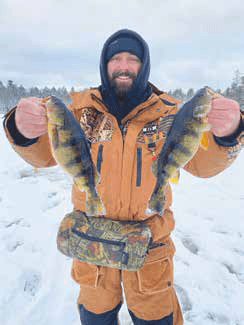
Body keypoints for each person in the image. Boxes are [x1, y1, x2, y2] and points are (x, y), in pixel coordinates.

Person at [3, 29, 244, 325]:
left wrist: (229, 133)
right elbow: (42, 153)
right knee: (95, 318)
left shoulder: (169, 114)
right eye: (116, 58)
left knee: (156, 319)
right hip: (93, 251)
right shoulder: (80, 111)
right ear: (105, 65)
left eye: (132, 58)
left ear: (144, 66)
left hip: (150, 253)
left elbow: (204, 165)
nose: (124, 65)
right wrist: (21, 128)